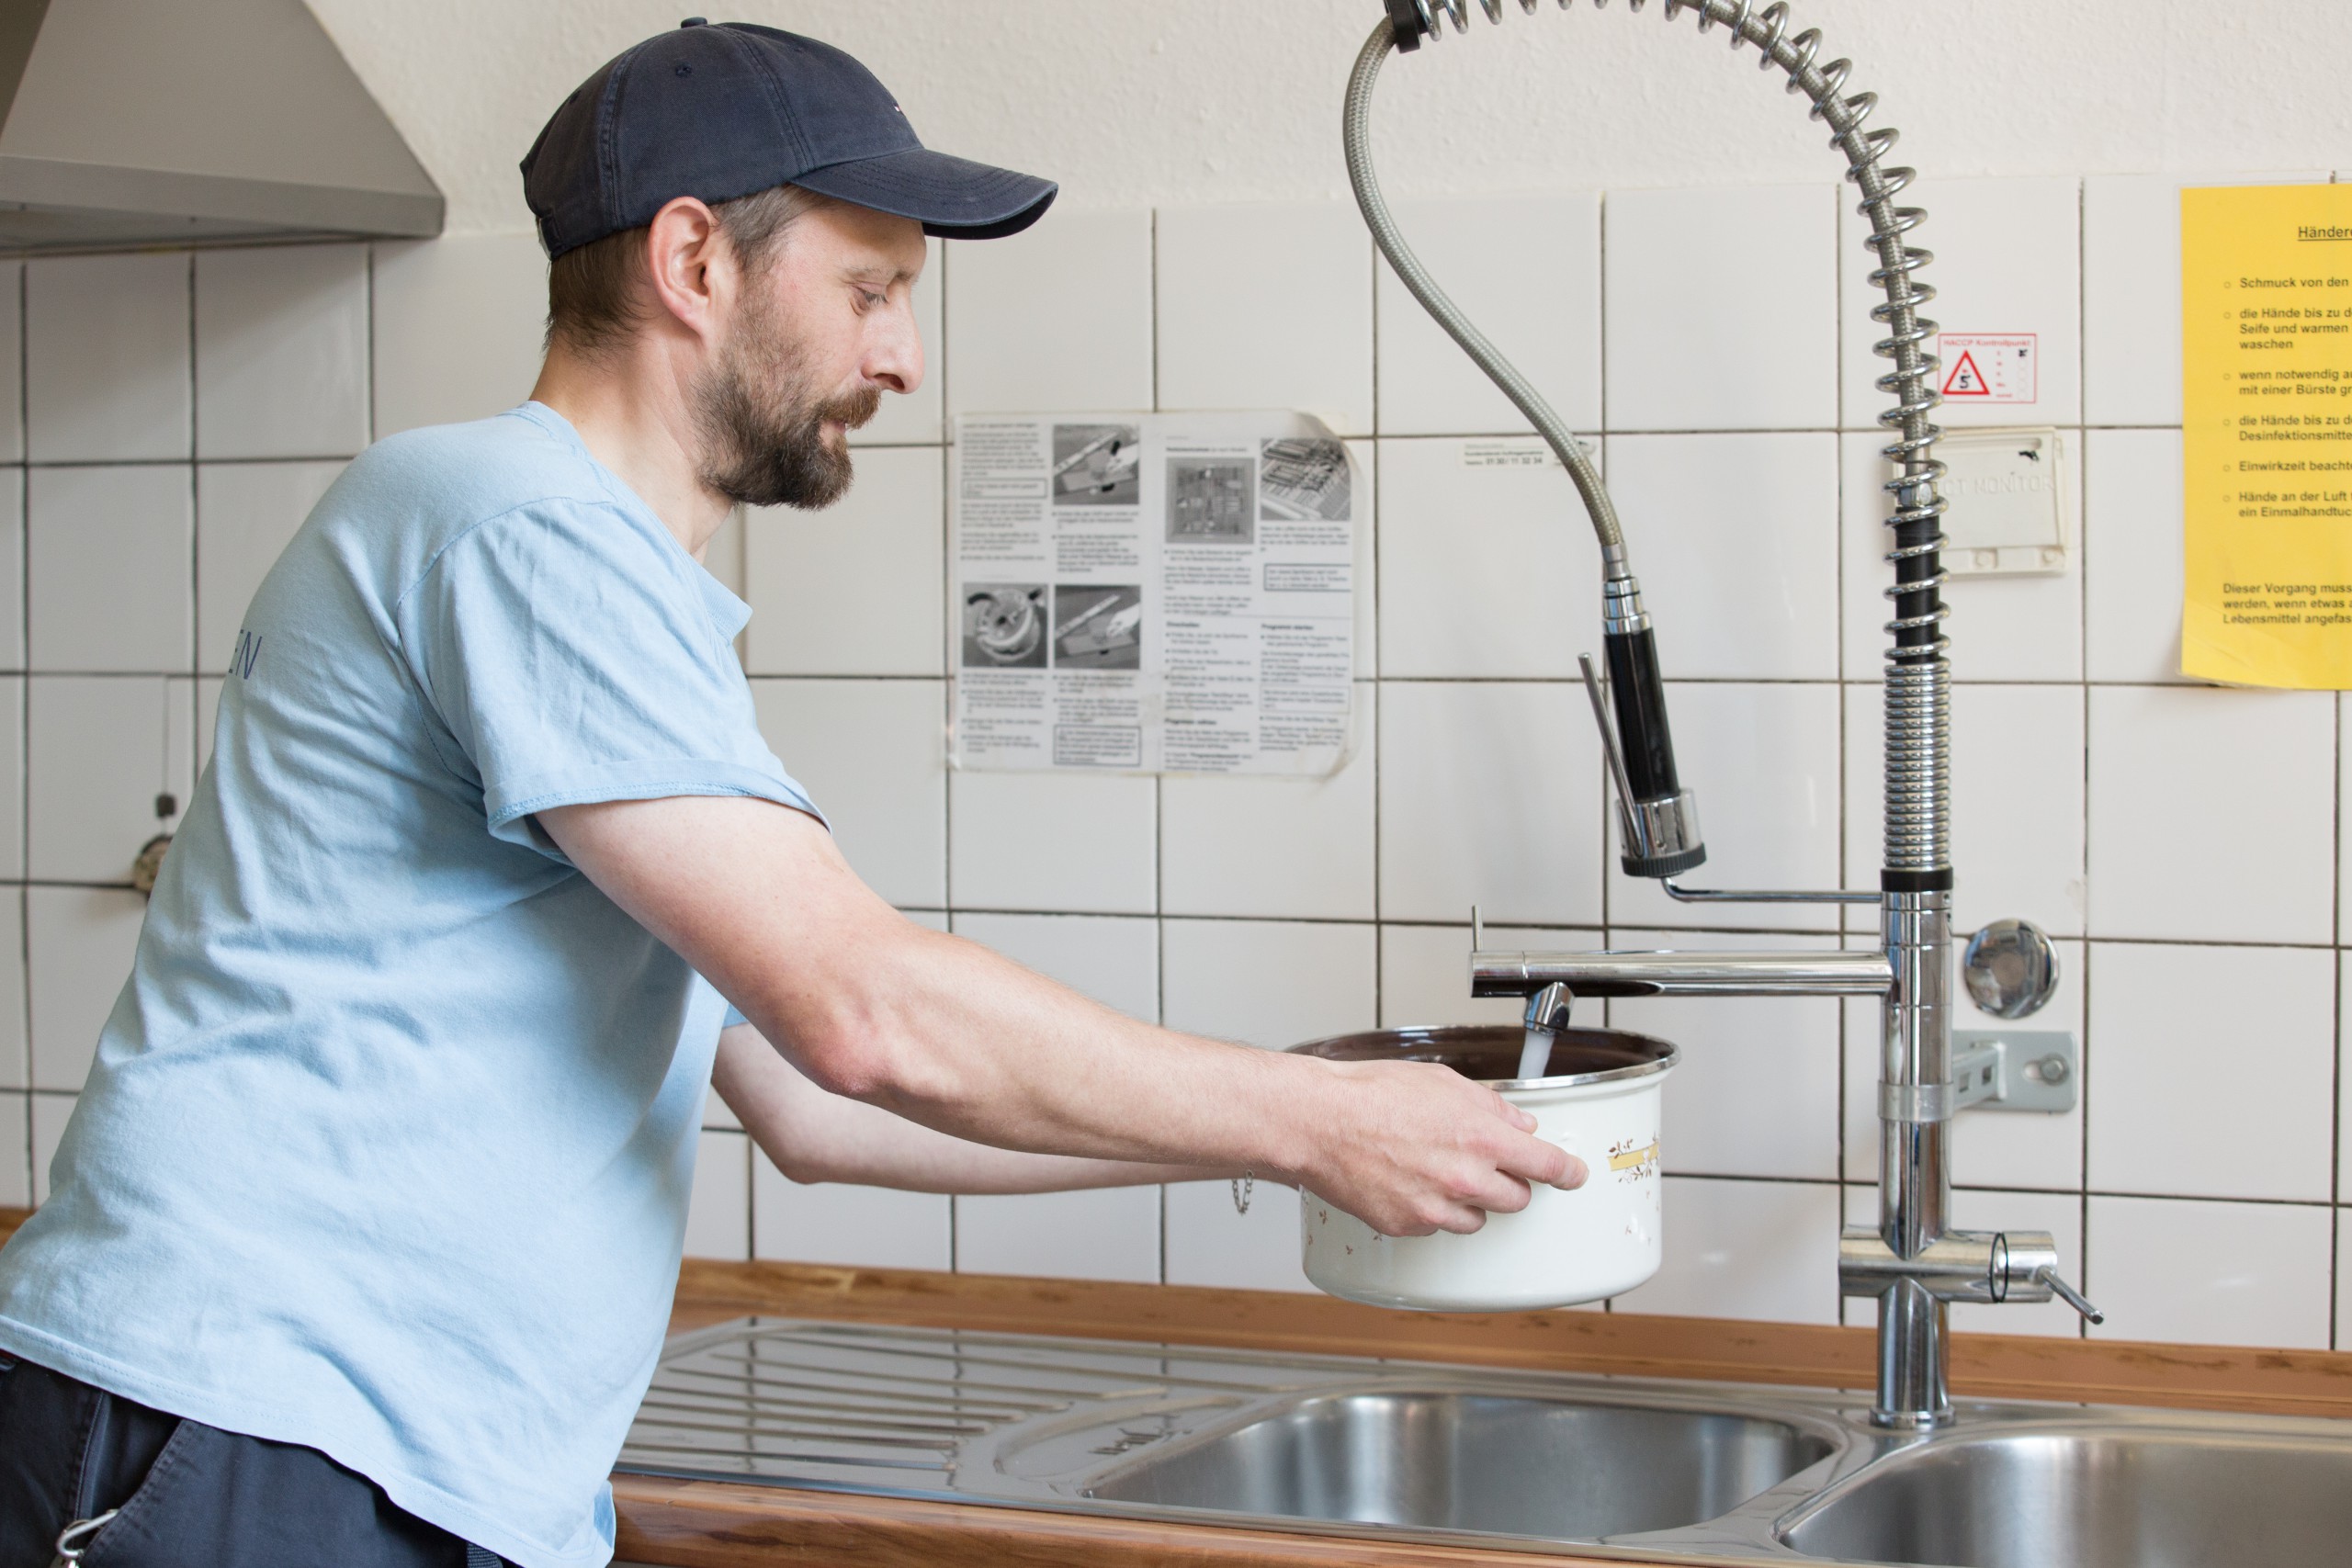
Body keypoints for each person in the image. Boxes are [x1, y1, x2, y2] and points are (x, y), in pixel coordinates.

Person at [0, 21, 1579, 1568]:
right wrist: (1309, 1117)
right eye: (871, 288)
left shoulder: (605, 593)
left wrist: (1291, 1127)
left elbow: (816, 1107)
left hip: (359, 1458)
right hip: (248, 1434)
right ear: (695, 263)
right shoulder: (510, 525)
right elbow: (863, 1017)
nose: (901, 354)